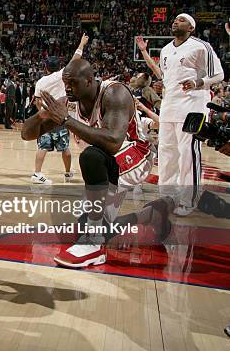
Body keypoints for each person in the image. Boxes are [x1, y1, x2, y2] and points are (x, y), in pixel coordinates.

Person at [22, 59, 154, 268]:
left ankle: (93, 245)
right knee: (85, 224)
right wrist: (42, 115)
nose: (67, 88)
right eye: (65, 83)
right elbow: (26, 134)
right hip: (107, 161)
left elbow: (112, 142)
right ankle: (149, 215)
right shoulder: (70, 102)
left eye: (73, 83)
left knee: (91, 157)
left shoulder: (115, 93)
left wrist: (66, 120)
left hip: (135, 156)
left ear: (90, 81)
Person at [156, 14, 223, 215]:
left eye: (182, 20)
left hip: (192, 106)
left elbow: (219, 75)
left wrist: (198, 83)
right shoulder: (166, 50)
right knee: (166, 153)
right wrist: (163, 85)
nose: (176, 21)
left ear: (191, 28)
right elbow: (168, 78)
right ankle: (166, 196)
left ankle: (188, 200)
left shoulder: (202, 46)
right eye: (175, 19)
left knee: (188, 154)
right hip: (169, 106)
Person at [31, 34, 88, 184]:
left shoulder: (40, 82)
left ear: (45, 67)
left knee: (42, 146)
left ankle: (37, 173)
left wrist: (41, 115)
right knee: (65, 149)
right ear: (59, 66)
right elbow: (75, 59)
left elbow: (37, 101)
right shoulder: (61, 75)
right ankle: (68, 173)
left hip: (45, 117)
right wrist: (81, 43)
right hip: (59, 117)